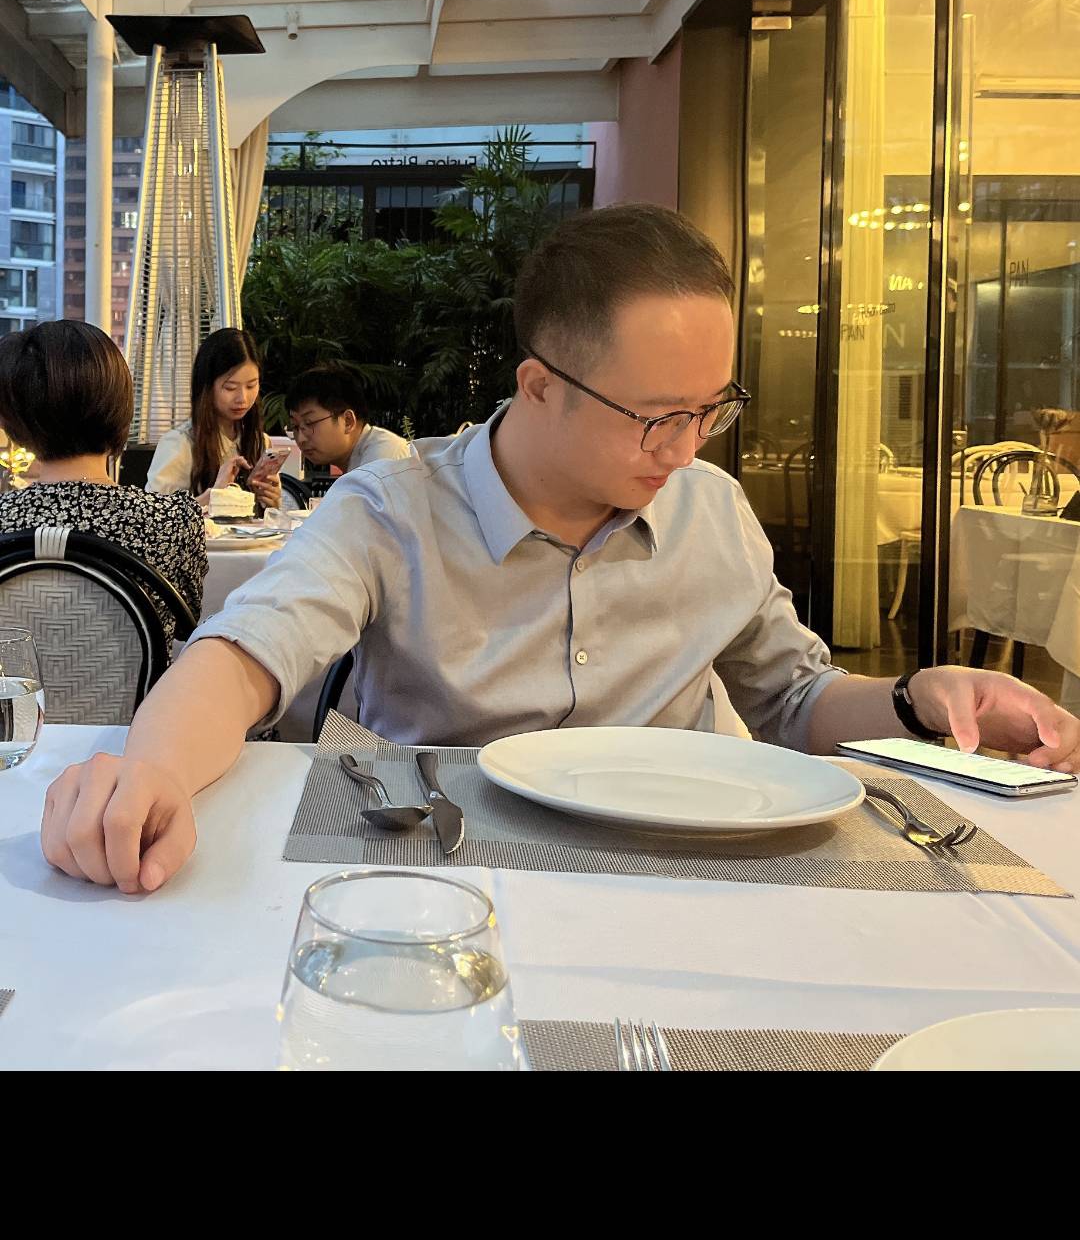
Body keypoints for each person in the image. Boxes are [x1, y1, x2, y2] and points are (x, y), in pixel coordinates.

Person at [40, 204, 1080, 895]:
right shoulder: (393, 509)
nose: (686, 448)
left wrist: (916, 700)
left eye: (710, 409)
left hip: (690, 882)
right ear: (539, 386)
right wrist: (150, 770)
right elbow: (244, 654)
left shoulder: (711, 510)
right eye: (656, 416)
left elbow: (794, 702)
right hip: (432, 878)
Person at [0, 320, 206, 648]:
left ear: (15, 423)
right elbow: (186, 623)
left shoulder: (4, 520)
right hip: (147, 684)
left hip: (17, 683)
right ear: (120, 406)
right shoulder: (171, 520)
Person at [145, 327, 296, 515]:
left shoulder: (260, 442)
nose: (242, 398)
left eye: (251, 385)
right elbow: (152, 518)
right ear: (207, 386)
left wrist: (272, 504)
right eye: (230, 387)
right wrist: (213, 497)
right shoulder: (179, 444)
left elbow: (267, 520)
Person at [283, 364, 411, 481]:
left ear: (348, 421)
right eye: (295, 426)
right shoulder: (361, 458)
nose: (301, 439)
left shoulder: (381, 461)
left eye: (309, 423)